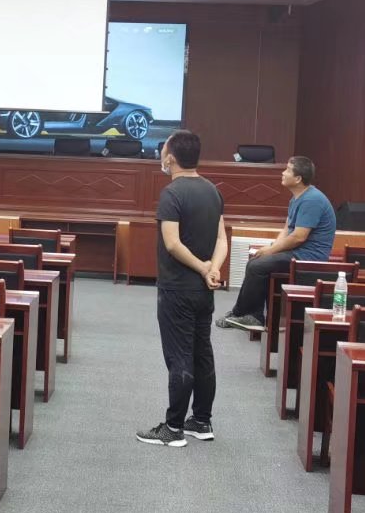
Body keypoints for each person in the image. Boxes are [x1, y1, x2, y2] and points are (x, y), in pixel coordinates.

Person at [136, 129, 228, 448]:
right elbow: (222, 239)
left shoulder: (172, 194)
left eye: (163, 150)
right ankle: (201, 421)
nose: (161, 155)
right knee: (202, 354)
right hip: (204, 291)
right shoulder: (212, 191)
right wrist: (213, 268)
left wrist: (203, 267)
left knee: (179, 357)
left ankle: (173, 428)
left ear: (171, 158)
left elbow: (173, 244)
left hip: (177, 289)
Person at [217, 154, 336, 332]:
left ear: (298, 178)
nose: (283, 173)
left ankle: (251, 316)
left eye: (287, 170)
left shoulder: (312, 200)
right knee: (257, 261)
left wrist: (270, 251)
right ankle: (243, 313)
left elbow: (298, 237)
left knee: (257, 266)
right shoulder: (296, 198)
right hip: (297, 253)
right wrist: (272, 249)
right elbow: (287, 229)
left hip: (309, 258)